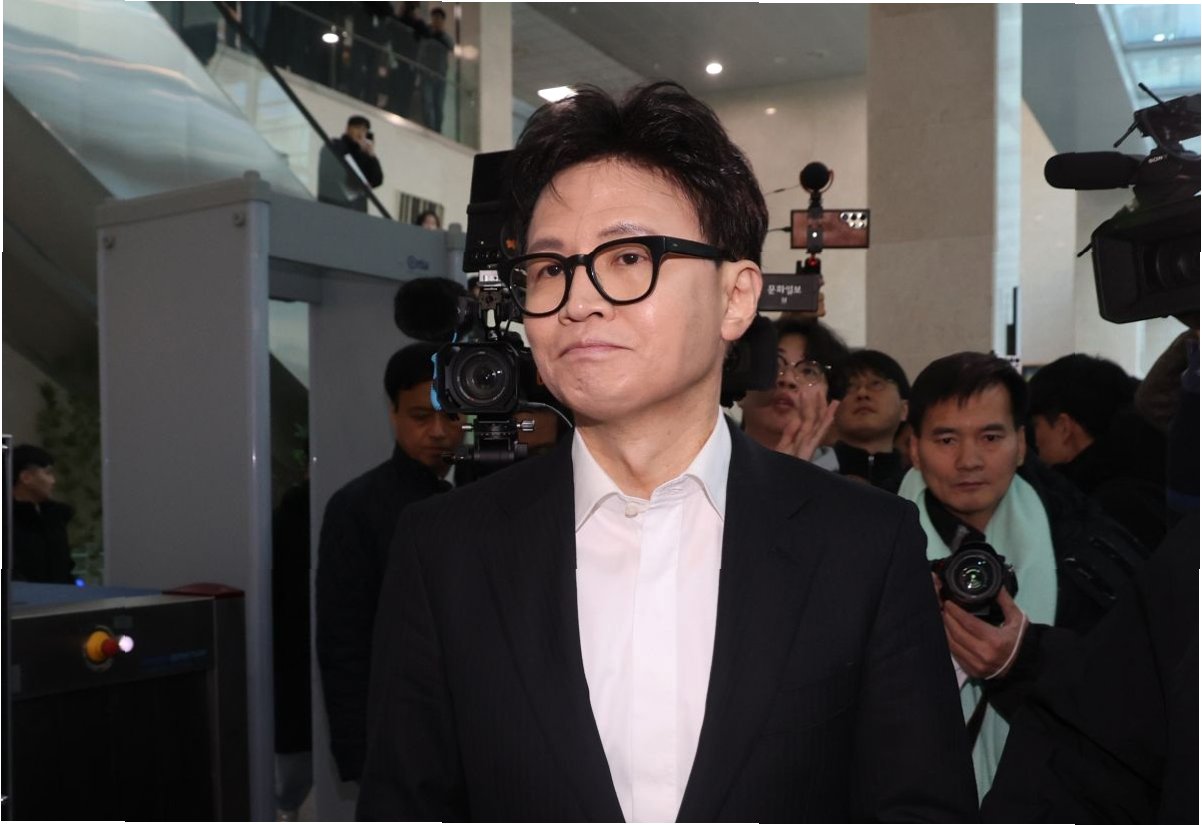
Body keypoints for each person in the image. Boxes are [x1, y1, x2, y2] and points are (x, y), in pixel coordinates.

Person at [358, 82, 977, 822]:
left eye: (628, 257)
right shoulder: (446, 549)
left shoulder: (864, 544)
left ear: (735, 297)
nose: (578, 300)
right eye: (550, 268)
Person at [898, 351, 1146, 801]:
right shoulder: (865, 550)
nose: (969, 460)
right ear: (913, 447)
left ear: (1022, 444)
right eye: (946, 439)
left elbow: (1127, 702)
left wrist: (1024, 661)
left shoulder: (1088, 552)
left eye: (991, 437)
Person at [315, 343, 463, 784]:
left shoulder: (492, 491)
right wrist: (359, 754)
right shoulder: (357, 507)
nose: (438, 432)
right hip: (402, 732)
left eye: (451, 416)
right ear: (394, 414)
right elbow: (343, 640)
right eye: (420, 417)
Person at [1027, 353, 1168, 550]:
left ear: (1063, 427)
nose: (1030, 441)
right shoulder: (1157, 472)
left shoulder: (1095, 508)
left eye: (1035, 426)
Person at [738, 317, 845, 463]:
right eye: (775, 365)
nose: (787, 379)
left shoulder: (848, 475)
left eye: (808, 371)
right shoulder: (709, 465)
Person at [829, 349, 911, 491]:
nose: (862, 393)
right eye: (850, 386)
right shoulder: (816, 471)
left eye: (876, 384)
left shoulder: (915, 484)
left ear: (904, 409)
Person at [11, 444, 76, 584]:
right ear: (26, 477)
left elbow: (65, 568)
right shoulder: (8, 522)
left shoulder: (54, 519)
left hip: (60, 595)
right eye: (48, 473)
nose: (53, 481)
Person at [317, 115, 384, 212]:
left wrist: (371, 155)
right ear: (348, 129)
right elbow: (344, 175)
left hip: (357, 209)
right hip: (333, 204)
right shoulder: (335, 145)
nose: (361, 133)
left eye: (364, 130)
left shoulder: (364, 154)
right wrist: (358, 151)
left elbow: (377, 180)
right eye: (357, 128)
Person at [415, 6, 454, 132]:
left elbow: (451, 46)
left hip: (440, 76)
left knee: (438, 105)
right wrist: (420, 68)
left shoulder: (445, 37)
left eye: (439, 18)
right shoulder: (426, 34)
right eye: (434, 18)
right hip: (427, 74)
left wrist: (440, 33)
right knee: (427, 102)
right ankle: (430, 128)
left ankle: (437, 130)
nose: (436, 21)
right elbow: (421, 50)